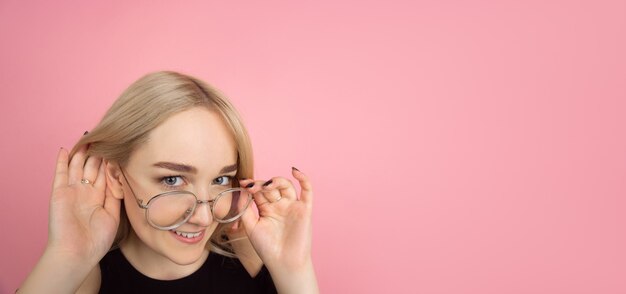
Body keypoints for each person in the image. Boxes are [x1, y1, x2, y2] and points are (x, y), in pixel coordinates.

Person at [18, 71, 318, 293]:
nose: (203, 216)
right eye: (173, 179)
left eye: (221, 179)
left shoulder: (249, 256)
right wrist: (66, 257)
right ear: (115, 176)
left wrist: (295, 270)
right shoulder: (85, 280)